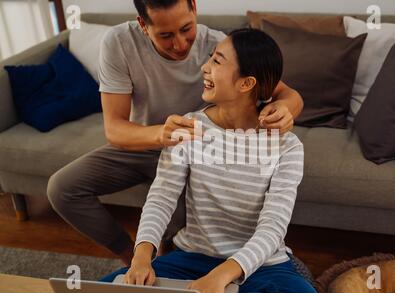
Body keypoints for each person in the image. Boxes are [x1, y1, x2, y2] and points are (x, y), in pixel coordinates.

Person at [46, 0, 303, 266]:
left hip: (192, 152)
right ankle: (130, 254)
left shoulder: (217, 46)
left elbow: (282, 90)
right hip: (144, 142)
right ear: (143, 25)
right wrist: (161, 134)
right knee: (62, 188)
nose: (180, 44)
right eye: (166, 35)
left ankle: (169, 262)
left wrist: (285, 108)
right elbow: (114, 129)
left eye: (186, 29)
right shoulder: (119, 43)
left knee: (182, 236)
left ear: (194, 7)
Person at [101, 28, 319, 293]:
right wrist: (142, 257)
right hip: (193, 258)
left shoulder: (287, 147)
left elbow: (273, 226)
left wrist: (222, 276)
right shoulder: (188, 128)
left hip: (262, 266)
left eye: (216, 61)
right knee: (105, 291)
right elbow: (161, 198)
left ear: (246, 84)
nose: (204, 67)